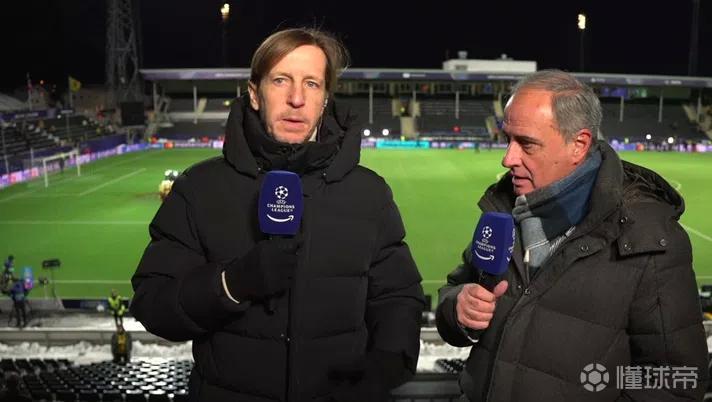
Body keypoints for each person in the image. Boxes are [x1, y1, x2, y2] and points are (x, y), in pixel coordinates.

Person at [130, 27, 425, 402]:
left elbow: (399, 296)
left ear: (325, 99)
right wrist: (231, 284)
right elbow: (153, 303)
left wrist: (386, 363)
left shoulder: (370, 193)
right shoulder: (199, 188)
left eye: (312, 84)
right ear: (255, 94)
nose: (296, 99)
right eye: (281, 80)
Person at [435, 70, 708, 401]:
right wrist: (458, 309)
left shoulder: (649, 238)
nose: (508, 158)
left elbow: (675, 382)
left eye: (526, 144)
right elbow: (454, 294)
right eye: (507, 139)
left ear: (578, 145)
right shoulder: (504, 210)